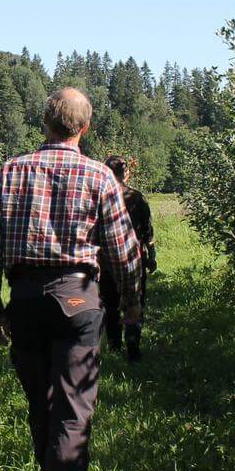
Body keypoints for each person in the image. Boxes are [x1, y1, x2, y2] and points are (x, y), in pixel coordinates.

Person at [0, 87, 144, 471]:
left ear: (43, 122)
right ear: (84, 128)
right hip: (78, 300)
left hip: (26, 300)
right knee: (73, 408)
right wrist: (129, 304)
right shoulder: (101, 178)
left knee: (41, 403)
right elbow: (124, 253)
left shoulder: (12, 172)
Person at [99, 155, 156, 362]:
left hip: (105, 262)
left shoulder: (101, 198)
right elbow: (148, 231)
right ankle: (133, 346)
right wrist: (152, 256)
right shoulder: (137, 198)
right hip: (135, 259)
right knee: (135, 300)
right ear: (127, 173)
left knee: (110, 303)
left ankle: (114, 345)